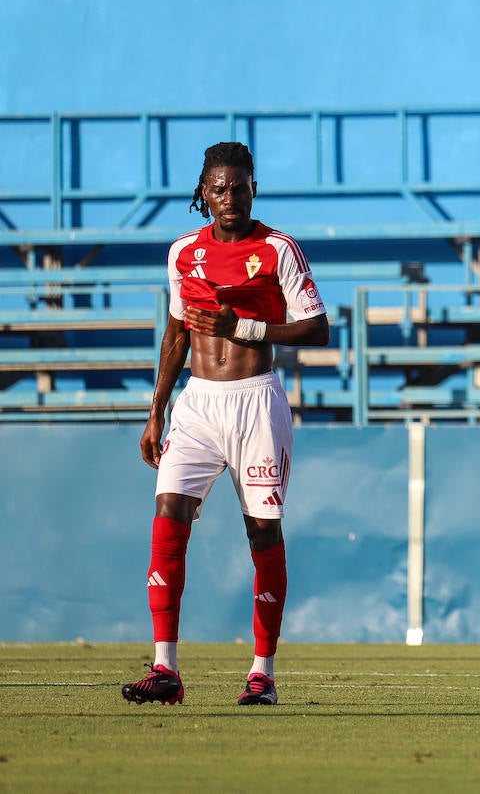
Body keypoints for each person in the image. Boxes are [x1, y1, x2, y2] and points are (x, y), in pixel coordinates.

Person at [121, 142, 330, 707]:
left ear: (252, 187)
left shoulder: (278, 249)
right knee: (168, 513)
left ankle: (261, 671)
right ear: (203, 194)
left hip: (256, 402)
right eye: (218, 189)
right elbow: (176, 334)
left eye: (238, 187)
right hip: (197, 404)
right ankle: (165, 668)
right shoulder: (183, 253)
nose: (228, 198)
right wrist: (156, 409)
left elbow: (317, 329)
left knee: (262, 533)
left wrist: (245, 327)